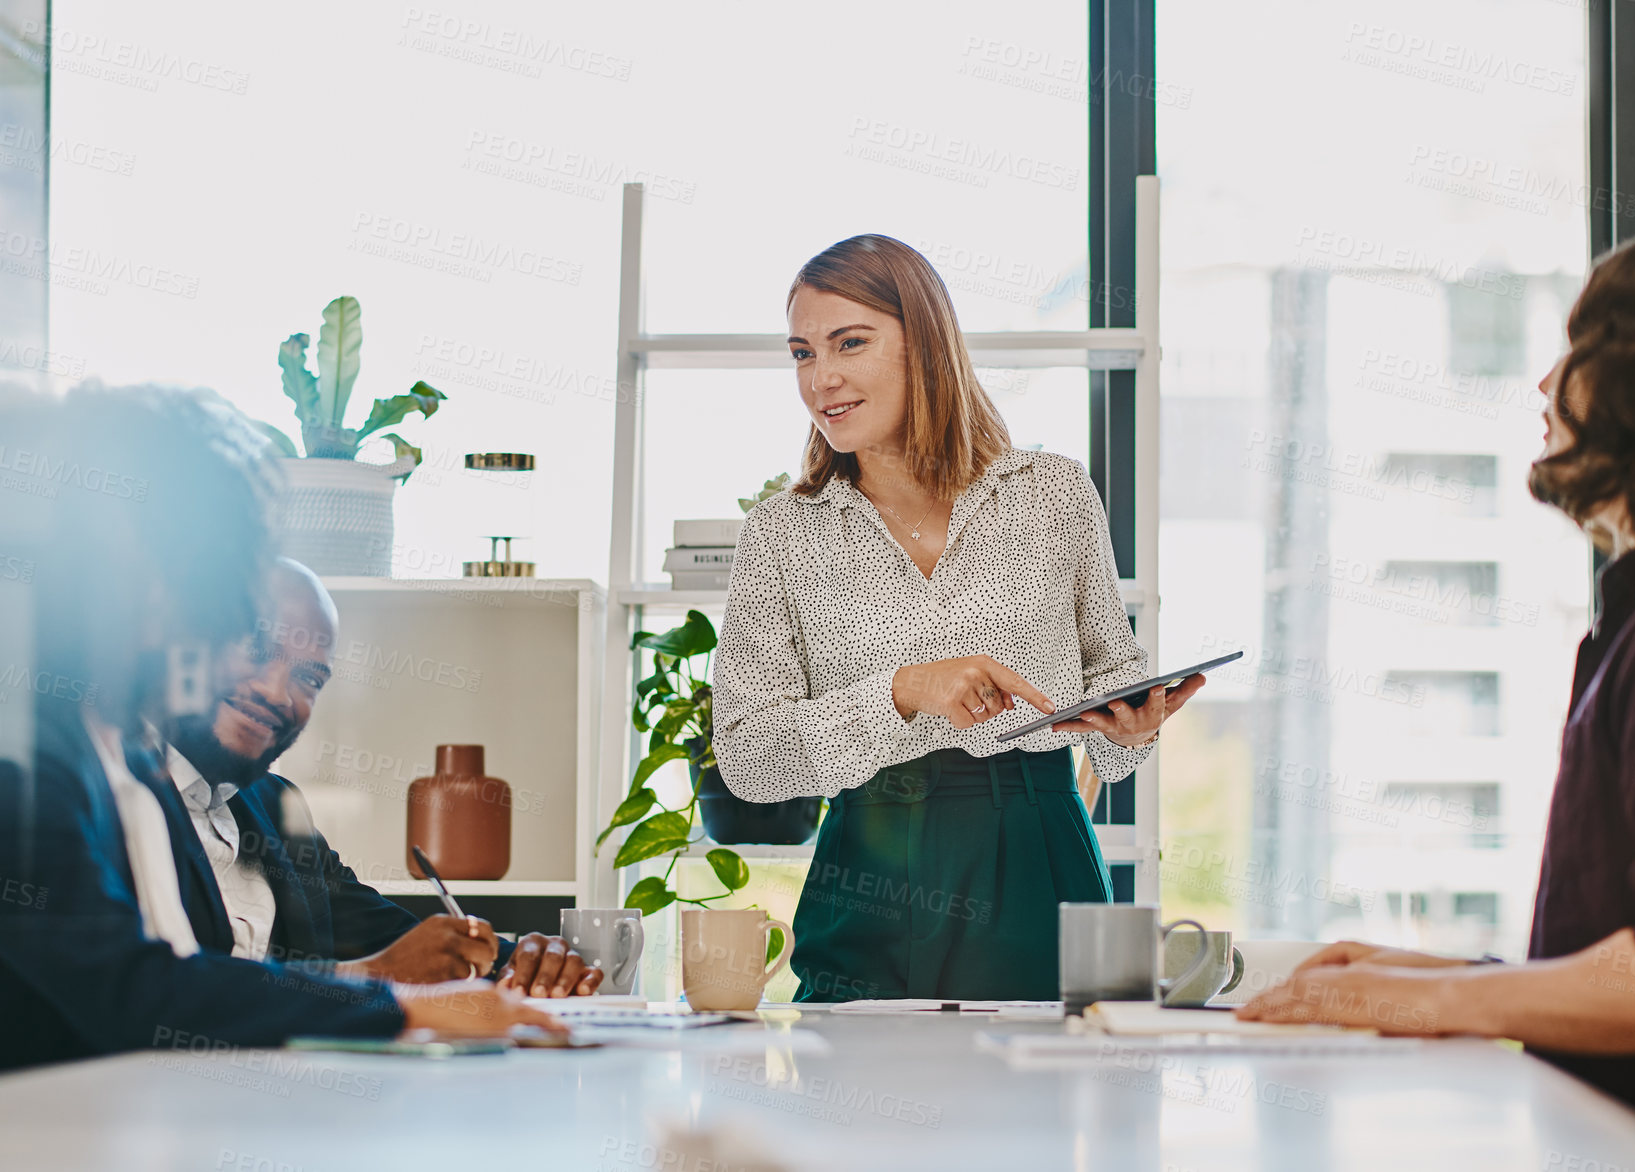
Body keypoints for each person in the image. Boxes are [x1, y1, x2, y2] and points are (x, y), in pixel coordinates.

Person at [1236, 233, 1635, 1143]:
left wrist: (1436, 997)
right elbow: (1626, 943)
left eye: (1578, 350)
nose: (1546, 385)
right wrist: (1420, 973)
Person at [0, 385, 558, 1071]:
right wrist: (400, 1005)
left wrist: (508, 966)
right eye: (214, 596)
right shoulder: (27, 748)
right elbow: (128, 987)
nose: (203, 626)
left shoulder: (111, 748)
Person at [711, 235, 1205, 1001]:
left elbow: (1111, 672)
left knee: (1037, 1105)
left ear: (926, 345)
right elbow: (748, 760)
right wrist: (903, 692)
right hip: (866, 863)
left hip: (1038, 850)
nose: (822, 378)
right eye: (803, 353)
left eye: (850, 343)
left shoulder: (1053, 494)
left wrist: (1130, 729)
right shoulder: (784, 531)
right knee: (847, 1105)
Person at [140, 556, 602, 997]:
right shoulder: (104, 789)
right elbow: (145, 990)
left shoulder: (276, 806)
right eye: (256, 651)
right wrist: (370, 976)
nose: (276, 692)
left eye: (310, 679)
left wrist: (522, 963)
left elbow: (392, 936)